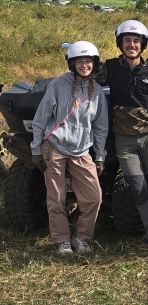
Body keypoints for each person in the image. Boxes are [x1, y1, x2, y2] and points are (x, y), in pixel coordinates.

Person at [102, 19, 148, 251]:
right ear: (120, 43)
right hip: (124, 140)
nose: (131, 45)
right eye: (127, 41)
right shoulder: (110, 67)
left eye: (136, 41)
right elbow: (87, 82)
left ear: (142, 45)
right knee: (137, 185)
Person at [31, 41, 108, 254]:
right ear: (72, 64)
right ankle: (61, 239)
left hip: (82, 150)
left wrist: (100, 155)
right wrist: (36, 148)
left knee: (94, 197)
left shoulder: (97, 91)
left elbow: (101, 126)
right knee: (56, 198)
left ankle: (82, 237)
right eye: (80, 61)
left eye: (89, 61)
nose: (85, 65)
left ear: (95, 64)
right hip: (55, 147)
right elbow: (41, 117)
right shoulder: (58, 84)